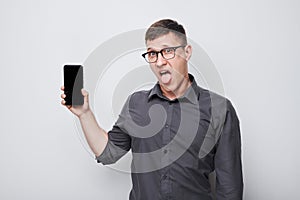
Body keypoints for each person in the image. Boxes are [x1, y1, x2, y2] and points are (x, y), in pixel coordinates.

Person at [61, 19, 243, 200]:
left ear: (187, 52)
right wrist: (84, 114)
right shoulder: (136, 103)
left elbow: (229, 189)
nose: (160, 62)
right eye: (152, 54)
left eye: (167, 51)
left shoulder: (220, 109)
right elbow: (107, 153)